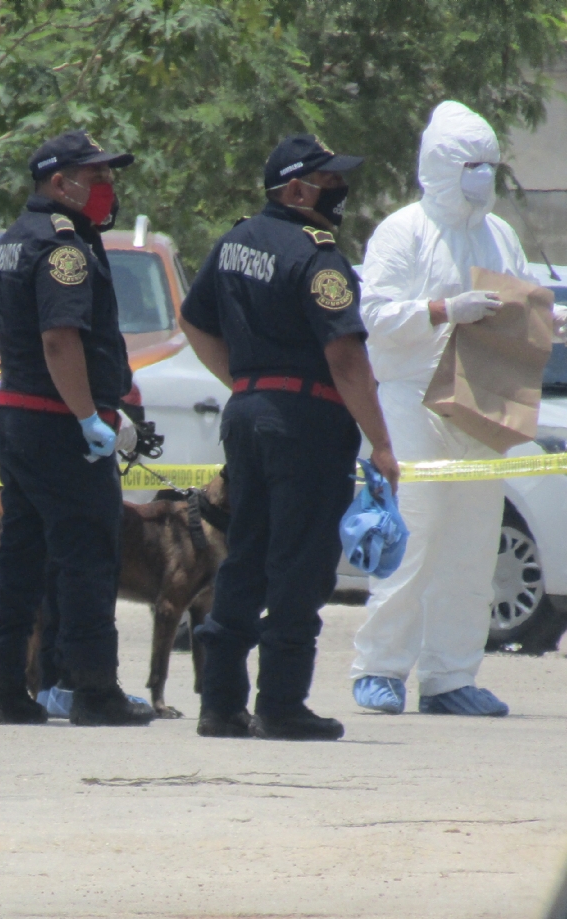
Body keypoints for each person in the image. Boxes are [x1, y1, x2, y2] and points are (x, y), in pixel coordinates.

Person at [348, 101, 567, 718]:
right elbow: (373, 318)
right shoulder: (402, 231)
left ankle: (450, 677)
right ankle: (380, 669)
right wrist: (446, 310)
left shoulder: (498, 234)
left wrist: (550, 319)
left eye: (490, 165)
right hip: (411, 402)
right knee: (413, 540)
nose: (484, 177)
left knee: (474, 549)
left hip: (482, 399)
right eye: (472, 165)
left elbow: (521, 299)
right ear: (442, 165)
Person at [179, 133, 398, 741]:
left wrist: (246, 384)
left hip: (249, 415)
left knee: (245, 553)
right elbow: (347, 357)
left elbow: (193, 322)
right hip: (306, 422)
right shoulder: (319, 255)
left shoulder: (234, 241)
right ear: (297, 190)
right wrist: (380, 443)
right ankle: (280, 704)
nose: (339, 193)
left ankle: (220, 704)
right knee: (299, 563)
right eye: (329, 183)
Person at [0, 130, 153, 727]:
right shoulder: (64, 247)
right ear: (60, 182)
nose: (107, 188)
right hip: (56, 421)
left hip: (17, 416)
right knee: (86, 555)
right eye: (96, 176)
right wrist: (88, 419)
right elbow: (59, 339)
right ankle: (94, 690)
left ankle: (1, 689)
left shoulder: (12, 239)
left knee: (21, 554)